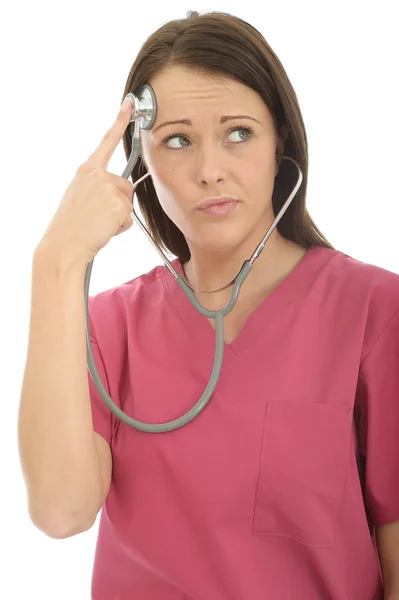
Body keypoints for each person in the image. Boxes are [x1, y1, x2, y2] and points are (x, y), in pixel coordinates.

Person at [18, 10, 399, 600]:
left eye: (238, 133)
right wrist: (56, 264)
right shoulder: (107, 327)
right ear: (139, 166)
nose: (209, 171)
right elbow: (60, 513)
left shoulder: (377, 312)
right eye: (177, 140)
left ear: (282, 145)